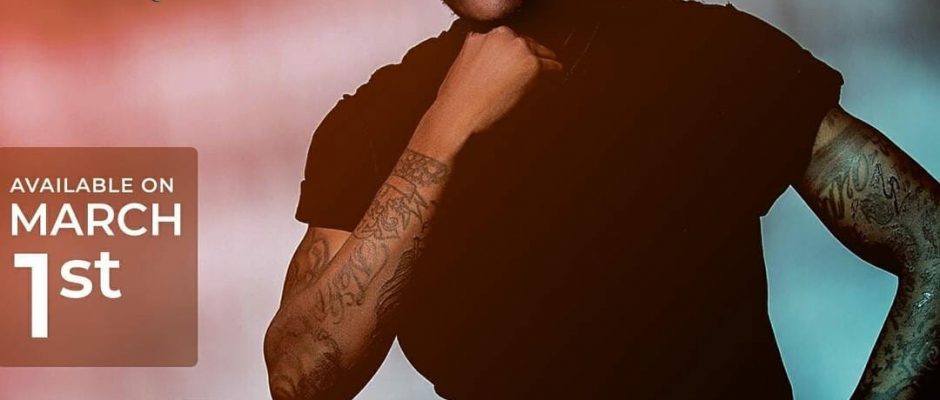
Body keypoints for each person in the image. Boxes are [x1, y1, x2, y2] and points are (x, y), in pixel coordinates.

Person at [264, 0, 940, 398]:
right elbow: (302, 379)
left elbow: (931, 240)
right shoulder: (376, 123)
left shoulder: (704, 54)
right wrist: (442, 131)